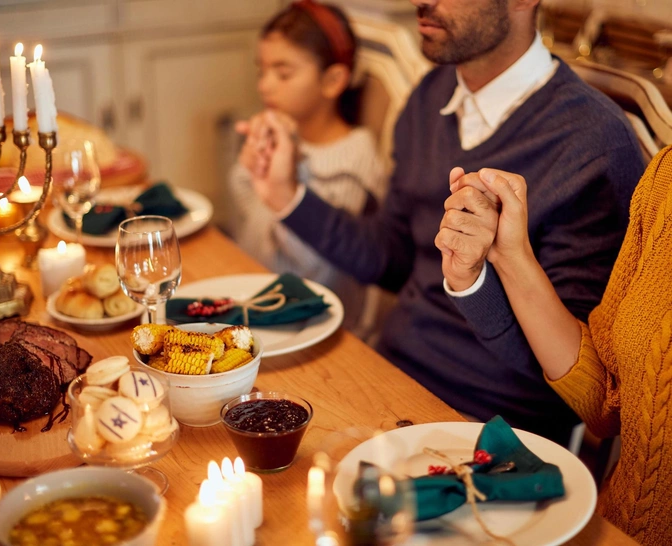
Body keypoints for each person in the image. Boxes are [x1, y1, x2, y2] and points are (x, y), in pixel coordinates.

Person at [238, 0, 645, 444]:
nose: (421, 2)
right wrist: (286, 196)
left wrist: (475, 282)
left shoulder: (593, 141)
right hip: (389, 374)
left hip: (493, 428)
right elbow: (392, 257)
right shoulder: (429, 97)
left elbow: (574, 381)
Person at [445, 146, 672, 545]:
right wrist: (510, 255)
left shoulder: (593, 143)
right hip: (610, 530)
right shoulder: (664, 178)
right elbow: (607, 402)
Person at [229, 0, 386, 331]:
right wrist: (256, 170)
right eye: (262, 70)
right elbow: (250, 224)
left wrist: (289, 180)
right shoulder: (284, 133)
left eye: (283, 73)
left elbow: (309, 269)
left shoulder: (353, 159)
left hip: (315, 327)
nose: (264, 85)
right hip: (256, 303)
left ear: (333, 81)